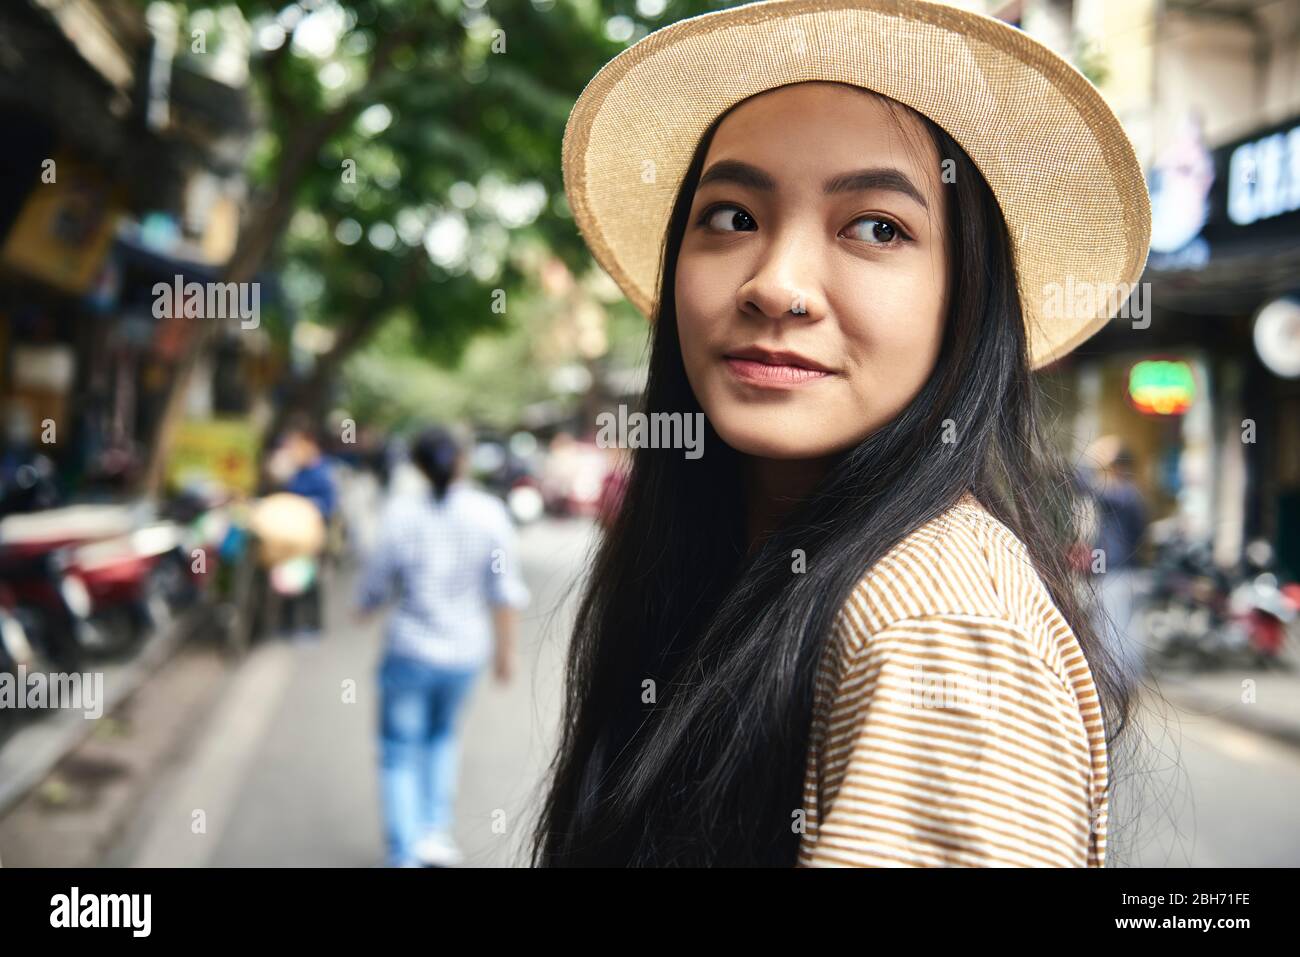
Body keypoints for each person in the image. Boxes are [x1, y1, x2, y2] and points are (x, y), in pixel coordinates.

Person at [532, 0, 1150, 867]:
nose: (776, 285)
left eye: (876, 227)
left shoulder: (939, 626)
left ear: (967, 297)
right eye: (733, 217)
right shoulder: (734, 563)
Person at [356, 425, 530, 867]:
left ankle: (404, 852)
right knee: (442, 738)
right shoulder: (490, 513)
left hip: (409, 650)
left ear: (416, 465)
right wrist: (505, 653)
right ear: (462, 461)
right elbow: (503, 590)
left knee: (399, 750)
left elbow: (376, 581)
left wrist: (364, 606)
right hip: (464, 653)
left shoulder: (399, 514)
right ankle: (435, 833)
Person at [1082, 436, 1150, 695]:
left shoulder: (1122, 493)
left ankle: (1116, 684)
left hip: (1116, 572)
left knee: (1112, 629)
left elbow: (1079, 483)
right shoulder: (1133, 494)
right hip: (1125, 570)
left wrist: (1092, 458)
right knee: (1124, 627)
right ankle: (1123, 681)